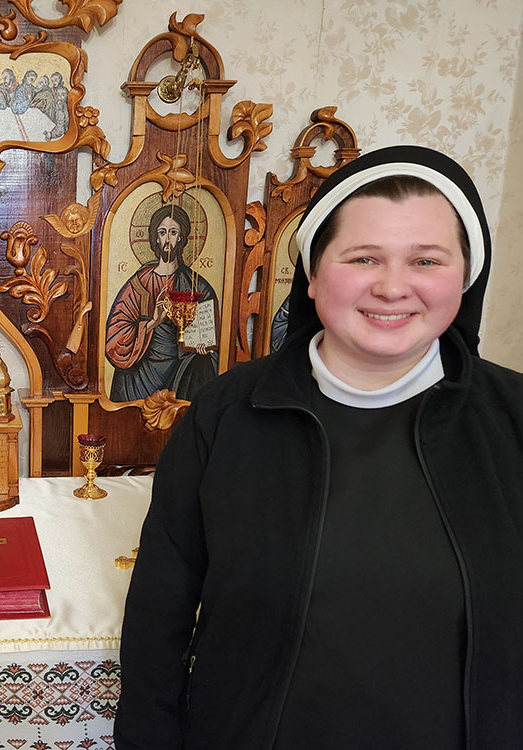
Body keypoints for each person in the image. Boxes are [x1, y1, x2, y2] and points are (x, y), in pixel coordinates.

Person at [115, 145, 523, 749]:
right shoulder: (224, 416)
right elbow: (158, 618)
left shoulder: (513, 420)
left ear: (464, 276)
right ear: (312, 273)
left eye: (427, 260)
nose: (392, 287)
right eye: (364, 257)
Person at [106, 203, 218, 402]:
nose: (168, 239)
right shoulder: (138, 283)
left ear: (181, 237)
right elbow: (114, 337)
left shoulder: (197, 285)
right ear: (155, 238)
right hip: (139, 375)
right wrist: (152, 323)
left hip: (181, 372)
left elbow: (210, 336)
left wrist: (204, 350)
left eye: (173, 232)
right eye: (163, 232)